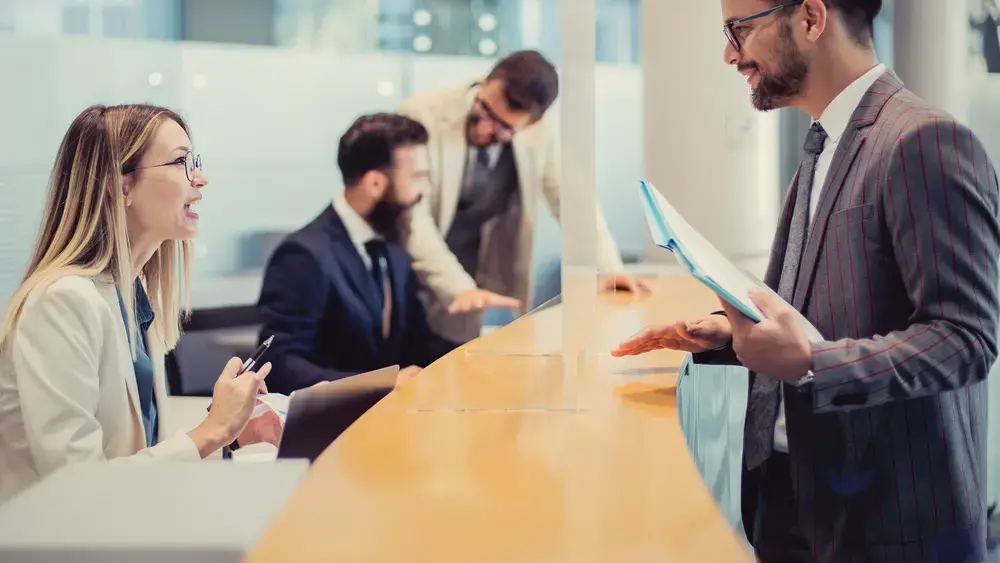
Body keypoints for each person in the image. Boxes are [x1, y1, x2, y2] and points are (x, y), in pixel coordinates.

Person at [613, 0, 1000, 561]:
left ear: (812, 18)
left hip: (889, 521)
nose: (730, 54)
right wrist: (731, 331)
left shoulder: (924, 141)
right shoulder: (825, 146)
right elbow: (814, 306)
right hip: (798, 499)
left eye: (739, 30)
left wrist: (814, 363)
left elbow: (966, 339)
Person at [0, 104, 279, 504]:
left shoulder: (130, 293)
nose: (200, 178)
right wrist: (209, 432)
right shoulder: (61, 302)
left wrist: (229, 429)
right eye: (181, 162)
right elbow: (75, 487)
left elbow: (138, 452)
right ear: (120, 184)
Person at [396, 49, 649, 343]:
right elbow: (413, 216)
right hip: (410, 266)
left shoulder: (540, 136)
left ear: (532, 124)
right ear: (485, 81)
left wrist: (609, 269)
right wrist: (458, 286)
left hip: (474, 271)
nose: (484, 128)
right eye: (483, 110)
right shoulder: (421, 114)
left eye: (503, 127)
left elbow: (574, 205)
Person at [256, 113, 459, 395]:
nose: (426, 190)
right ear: (375, 183)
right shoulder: (304, 255)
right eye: (418, 177)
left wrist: (486, 354)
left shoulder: (392, 243)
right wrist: (378, 385)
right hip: (328, 432)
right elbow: (279, 364)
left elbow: (418, 342)